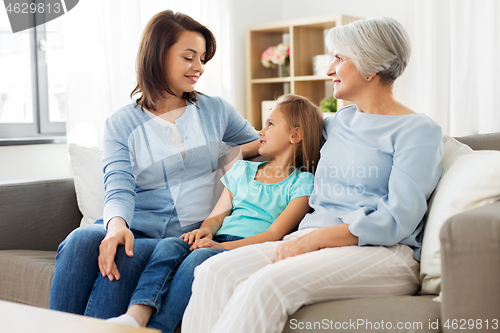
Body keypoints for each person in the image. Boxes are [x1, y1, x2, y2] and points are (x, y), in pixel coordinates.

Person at [182, 17, 444, 333]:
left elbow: (396, 219)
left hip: (383, 253)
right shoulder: (337, 123)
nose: (329, 70)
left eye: (339, 58)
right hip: (310, 239)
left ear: (370, 66)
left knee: (268, 286)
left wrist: (316, 239)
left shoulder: (417, 131)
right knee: (214, 271)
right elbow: (280, 137)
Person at [49, 10, 261, 321]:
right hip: (135, 226)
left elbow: (267, 141)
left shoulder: (216, 111)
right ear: (158, 56)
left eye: (203, 58)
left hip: (179, 238)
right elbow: (118, 184)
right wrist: (117, 227)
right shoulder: (122, 123)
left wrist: (229, 154)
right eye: (189, 57)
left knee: (127, 256)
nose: (199, 68)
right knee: (81, 239)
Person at [107, 93, 324, 332]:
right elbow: (218, 216)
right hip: (218, 240)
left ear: (295, 135)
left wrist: (221, 249)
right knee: (169, 246)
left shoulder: (302, 182)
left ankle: (157, 327)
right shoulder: (242, 170)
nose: (260, 132)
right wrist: (204, 231)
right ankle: (135, 316)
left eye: (270, 124)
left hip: (245, 247)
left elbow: (274, 233)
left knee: (199, 259)